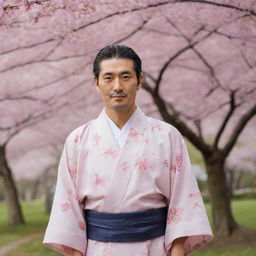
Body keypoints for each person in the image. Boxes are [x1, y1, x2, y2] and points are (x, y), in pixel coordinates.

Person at [43, 44, 213, 256]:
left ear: (139, 80)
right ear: (96, 83)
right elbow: (67, 207)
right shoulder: (78, 140)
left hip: (154, 247)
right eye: (108, 78)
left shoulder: (167, 136)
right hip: (98, 249)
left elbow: (183, 201)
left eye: (125, 77)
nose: (117, 86)